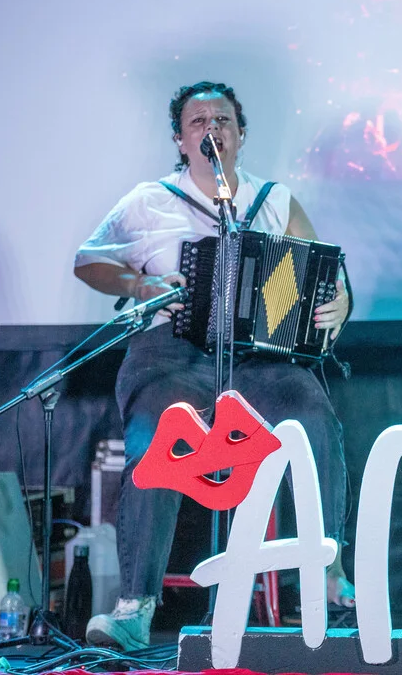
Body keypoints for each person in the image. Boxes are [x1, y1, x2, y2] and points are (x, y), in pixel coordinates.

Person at [74, 82, 355, 650]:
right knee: (156, 436)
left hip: (258, 357)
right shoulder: (149, 200)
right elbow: (89, 260)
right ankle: (135, 607)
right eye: (198, 122)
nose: (212, 129)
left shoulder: (273, 199)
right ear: (181, 140)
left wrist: (340, 302)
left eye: (222, 120)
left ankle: (328, 571)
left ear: (241, 134)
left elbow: (325, 273)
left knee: (314, 419)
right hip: (170, 352)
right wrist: (141, 284)